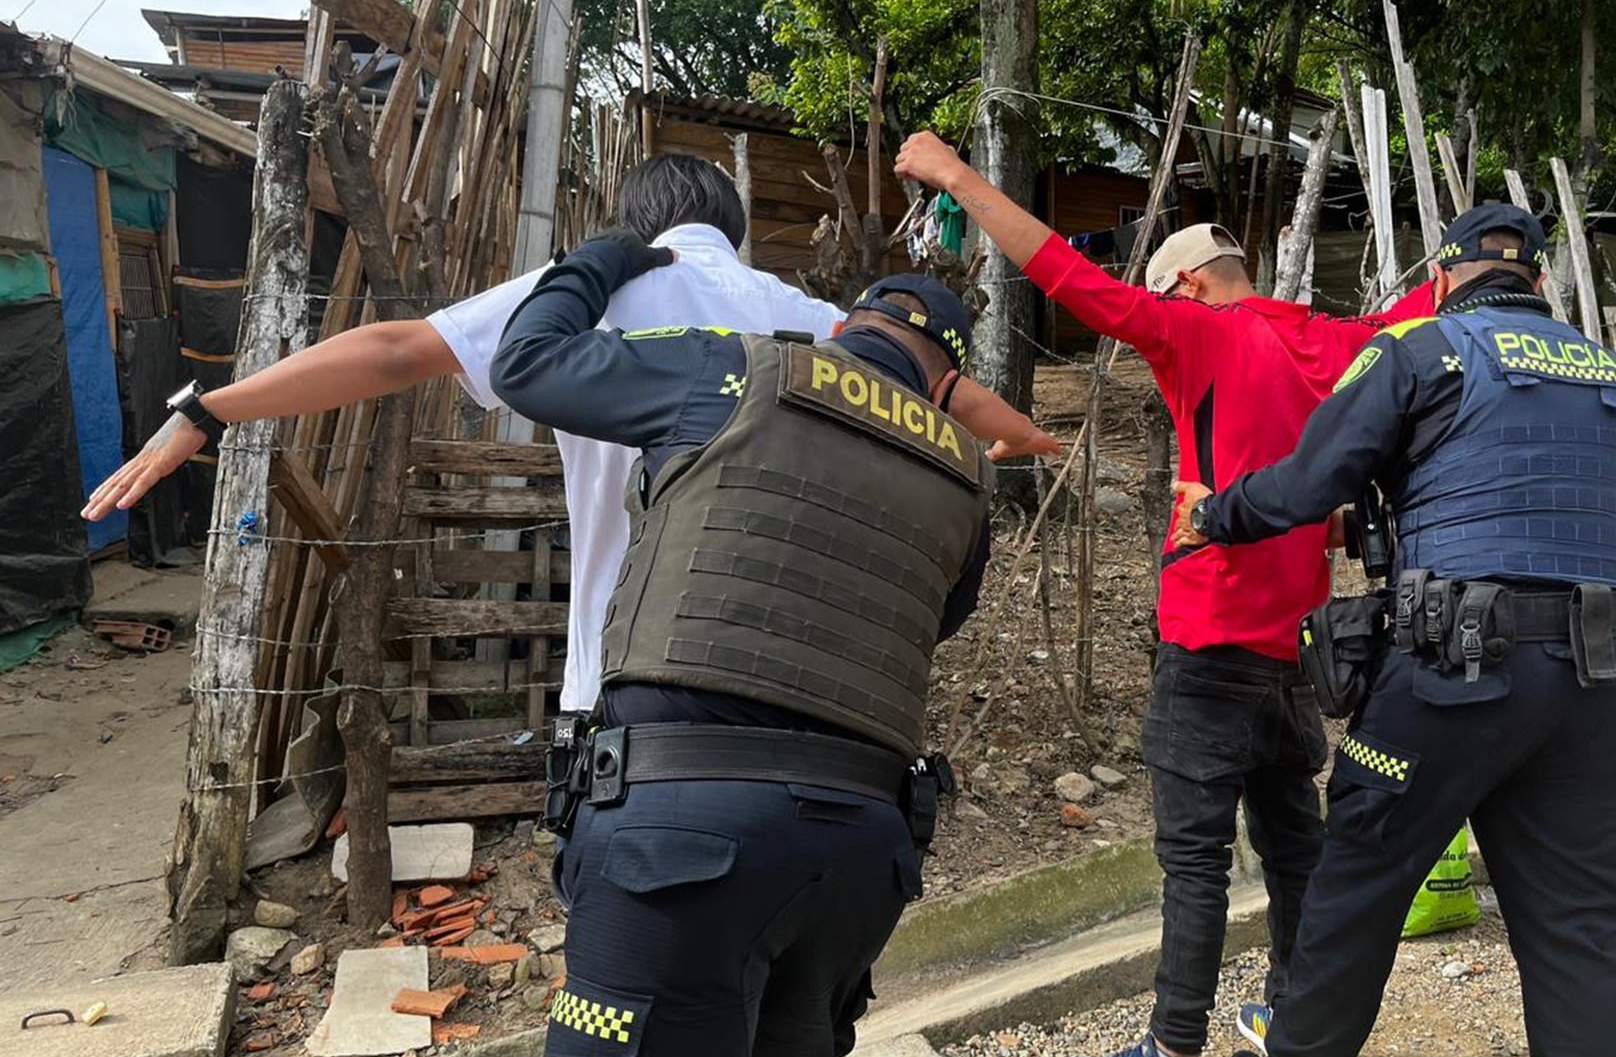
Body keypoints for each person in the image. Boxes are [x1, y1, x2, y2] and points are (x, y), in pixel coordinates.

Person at [81, 153, 1055, 720]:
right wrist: (1042, 446)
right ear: (735, 228)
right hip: (802, 687)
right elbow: (968, 406)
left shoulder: (600, 286)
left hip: (632, 685)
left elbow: (388, 351)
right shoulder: (807, 313)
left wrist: (205, 412)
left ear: (630, 222)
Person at [893, 130, 1432, 1057]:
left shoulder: (1198, 333)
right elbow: (1427, 306)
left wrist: (957, 176)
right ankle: (1292, 1011)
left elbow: (1060, 271)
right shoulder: (1336, 342)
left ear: (1186, 289)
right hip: (1293, 649)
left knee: (1195, 861)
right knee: (1295, 845)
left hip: (1210, 636)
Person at [489, 233, 992, 1057]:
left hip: (678, 833)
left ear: (840, 332)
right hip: (861, 854)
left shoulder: (735, 367)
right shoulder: (967, 474)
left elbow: (527, 364)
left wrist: (596, 264)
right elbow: (936, 616)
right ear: (942, 391)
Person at [1180, 203, 1616, 1057]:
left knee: (1359, 878)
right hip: (1602, 675)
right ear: (1533, 280)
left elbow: (1309, 484)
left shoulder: (1422, 349)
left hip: (1459, 669)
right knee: (1576, 928)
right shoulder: (1607, 374)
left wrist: (1212, 515)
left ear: (1443, 279)